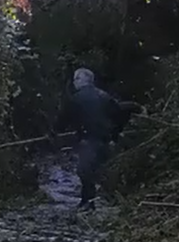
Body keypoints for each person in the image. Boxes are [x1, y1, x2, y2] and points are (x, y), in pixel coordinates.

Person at [56, 68, 142, 210]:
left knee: (84, 171)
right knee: (96, 170)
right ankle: (97, 201)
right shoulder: (104, 96)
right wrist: (116, 133)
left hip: (88, 140)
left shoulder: (75, 98)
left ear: (81, 81)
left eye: (75, 79)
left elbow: (63, 119)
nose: (74, 83)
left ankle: (88, 203)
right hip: (105, 140)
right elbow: (117, 113)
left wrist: (54, 133)